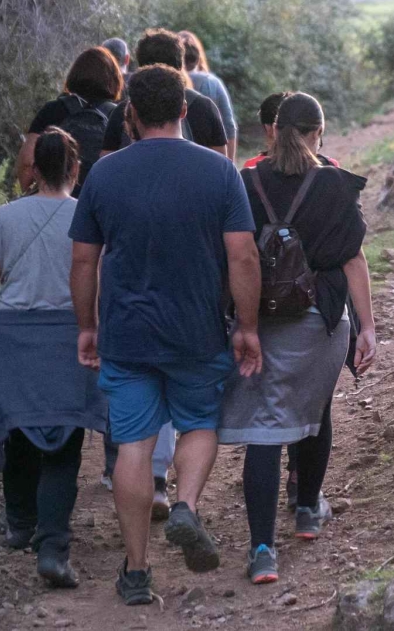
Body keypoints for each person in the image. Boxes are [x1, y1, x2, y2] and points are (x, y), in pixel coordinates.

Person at [70, 64, 263, 605]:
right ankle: (187, 506)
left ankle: (135, 571)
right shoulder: (219, 172)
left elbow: (84, 259)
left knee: (133, 444)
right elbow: (242, 255)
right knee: (200, 420)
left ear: (129, 113)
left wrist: (87, 325)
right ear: (184, 110)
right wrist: (246, 326)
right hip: (196, 329)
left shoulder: (104, 175)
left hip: (127, 334)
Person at [218, 93, 377, 585]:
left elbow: (227, 254)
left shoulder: (245, 182)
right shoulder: (332, 183)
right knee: (317, 410)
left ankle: (262, 549)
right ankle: (307, 509)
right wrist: (368, 327)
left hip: (257, 320)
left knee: (265, 428)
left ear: (274, 131)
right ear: (317, 133)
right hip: (320, 320)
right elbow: (353, 260)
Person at [0, 128, 105, 591]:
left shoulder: (6, 217)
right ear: (74, 168)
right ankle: (52, 547)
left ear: (33, 170)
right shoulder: (87, 217)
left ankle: (20, 524)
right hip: (69, 335)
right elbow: (98, 280)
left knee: (18, 432)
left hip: (14, 337)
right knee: (64, 443)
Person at [100, 29, 227, 157]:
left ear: (141, 67)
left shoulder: (123, 111)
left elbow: (106, 165)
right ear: (179, 66)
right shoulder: (205, 108)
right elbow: (222, 165)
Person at [18, 47, 122, 196]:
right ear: (114, 79)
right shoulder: (118, 115)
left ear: (74, 75)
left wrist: (33, 197)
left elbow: (27, 163)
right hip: (99, 207)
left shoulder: (53, 110)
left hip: (54, 201)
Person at [179, 31, 239, 162]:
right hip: (209, 156)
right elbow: (229, 126)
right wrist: (230, 165)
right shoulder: (211, 82)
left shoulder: (164, 83)